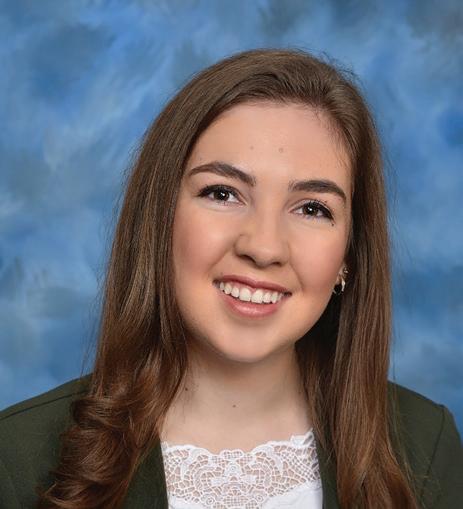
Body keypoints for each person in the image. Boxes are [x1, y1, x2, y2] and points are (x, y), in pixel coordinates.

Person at [0, 48, 462, 509]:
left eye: (312, 208)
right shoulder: (16, 458)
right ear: (160, 219)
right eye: (223, 194)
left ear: (348, 255)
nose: (263, 247)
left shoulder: (427, 444)